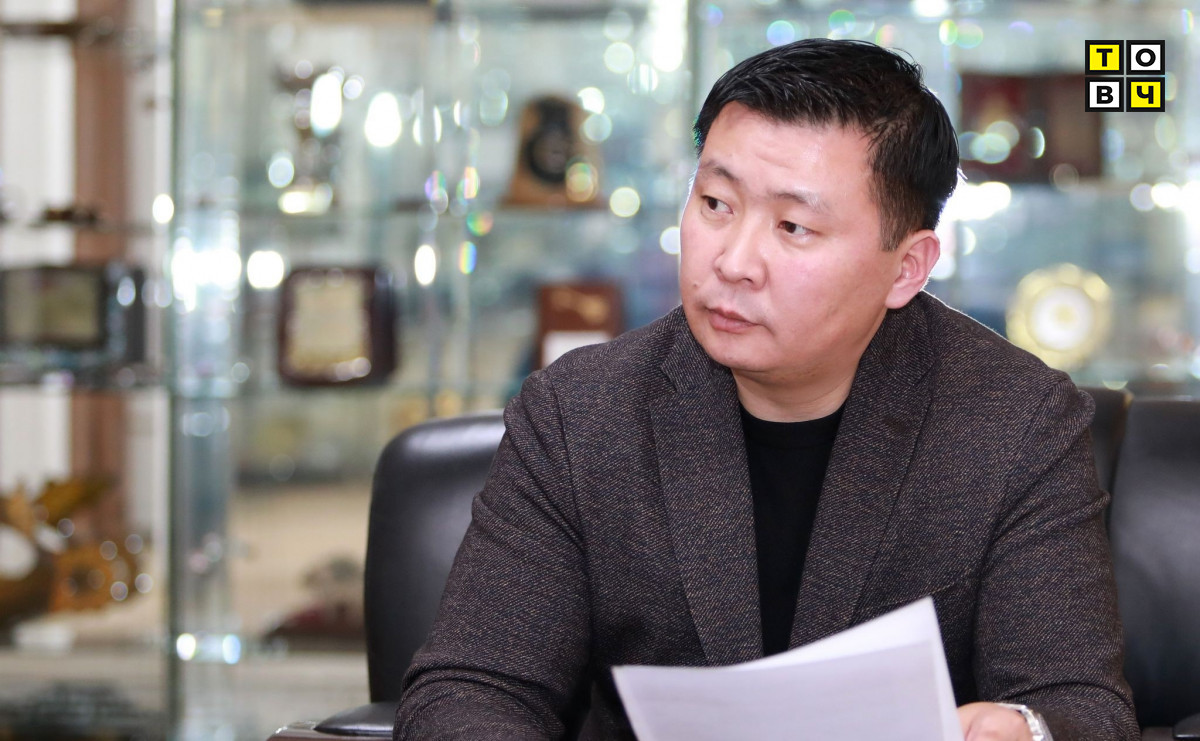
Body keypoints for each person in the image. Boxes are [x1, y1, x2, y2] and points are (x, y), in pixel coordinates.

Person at [396, 39, 1138, 741]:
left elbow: (1078, 702)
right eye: (716, 204)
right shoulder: (580, 413)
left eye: (792, 226)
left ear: (907, 268)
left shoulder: (1015, 422)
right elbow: (470, 689)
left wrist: (1023, 728)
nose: (733, 261)